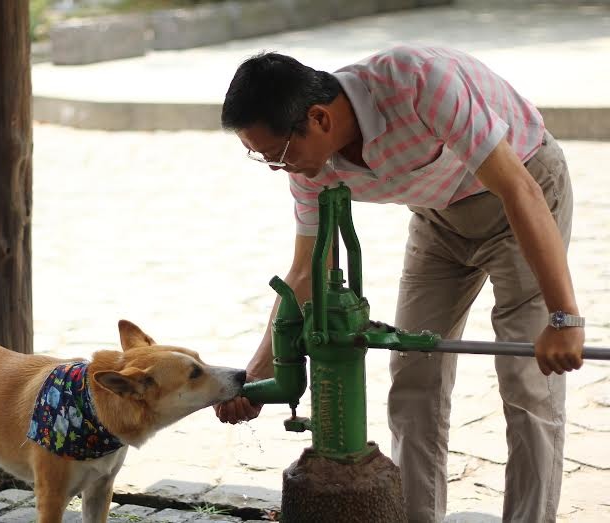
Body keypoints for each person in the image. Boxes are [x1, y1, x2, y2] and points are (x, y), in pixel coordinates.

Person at [215, 46, 585, 523]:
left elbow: (520, 190)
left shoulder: (419, 84)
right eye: (262, 157)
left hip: (524, 192)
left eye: (279, 153)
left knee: (527, 380)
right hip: (438, 218)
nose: (277, 167)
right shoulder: (310, 168)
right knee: (413, 374)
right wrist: (260, 370)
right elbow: (305, 271)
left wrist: (564, 317)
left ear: (319, 118)